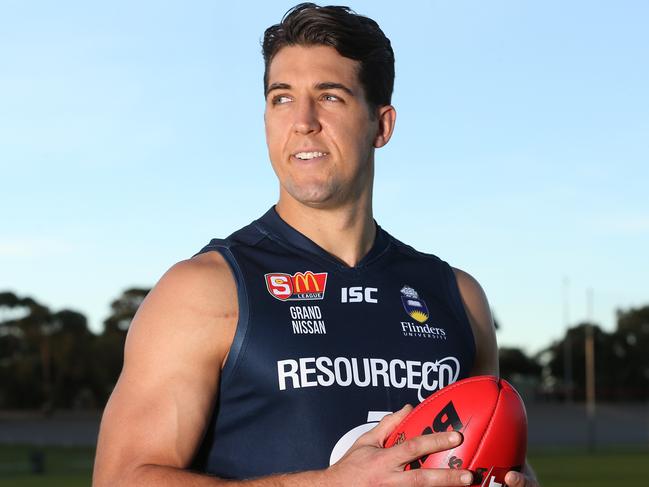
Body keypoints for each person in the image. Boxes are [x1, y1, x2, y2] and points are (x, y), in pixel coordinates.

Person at [93, 3, 539, 486]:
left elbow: (495, 455)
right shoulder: (204, 289)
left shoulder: (458, 297)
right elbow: (120, 478)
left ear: (381, 125)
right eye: (281, 98)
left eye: (330, 97)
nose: (302, 121)